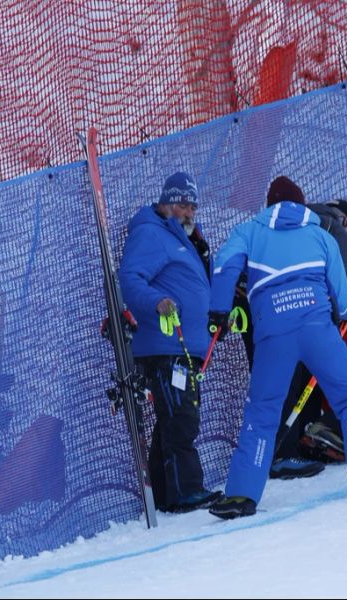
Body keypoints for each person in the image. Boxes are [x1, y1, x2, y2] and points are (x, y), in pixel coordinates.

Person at [206, 176, 347, 521]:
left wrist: (219, 312)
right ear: (301, 205)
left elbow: (224, 267)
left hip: (272, 334)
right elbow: (342, 300)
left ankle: (240, 495)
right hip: (317, 330)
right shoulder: (321, 235)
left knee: (263, 412)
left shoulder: (248, 232)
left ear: (269, 204)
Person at [118, 171, 221, 513]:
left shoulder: (182, 235)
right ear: (169, 203)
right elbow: (131, 280)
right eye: (185, 205)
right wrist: (156, 302)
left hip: (185, 346)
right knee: (181, 419)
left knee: (172, 419)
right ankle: (186, 491)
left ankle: (166, 494)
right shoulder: (151, 234)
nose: (191, 211)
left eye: (194, 205)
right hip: (166, 346)